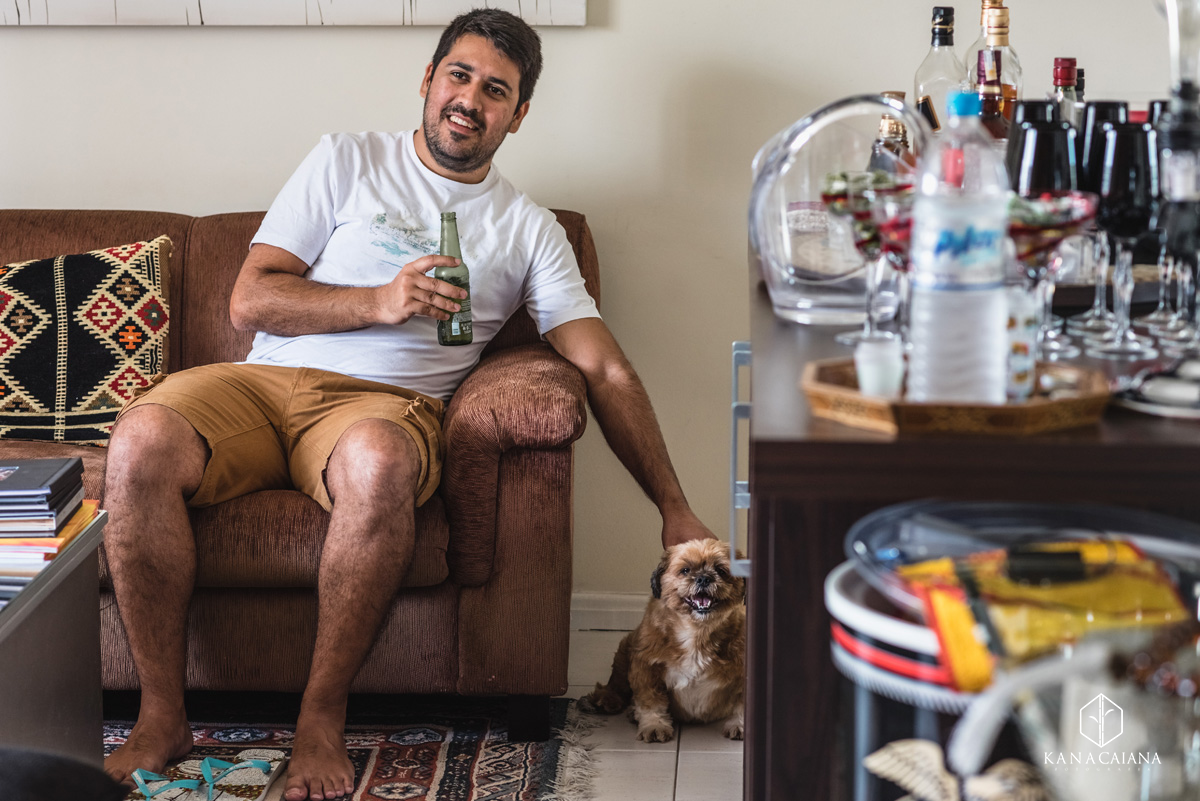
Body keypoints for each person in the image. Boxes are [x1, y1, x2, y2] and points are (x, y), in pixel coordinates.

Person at [101, 9, 715, 801]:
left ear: (518, 115)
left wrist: (674, 505)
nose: (470, 99)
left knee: (380, 460)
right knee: (142, 435)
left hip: (385, 406)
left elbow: (606, 369)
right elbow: (251, 300)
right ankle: (160, 715)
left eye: (496, 90)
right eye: (458, 76)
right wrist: (380, 300)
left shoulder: (527, 229)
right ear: (427, 81)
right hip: (258, 385)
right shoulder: (347, 160)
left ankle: (321, 717)